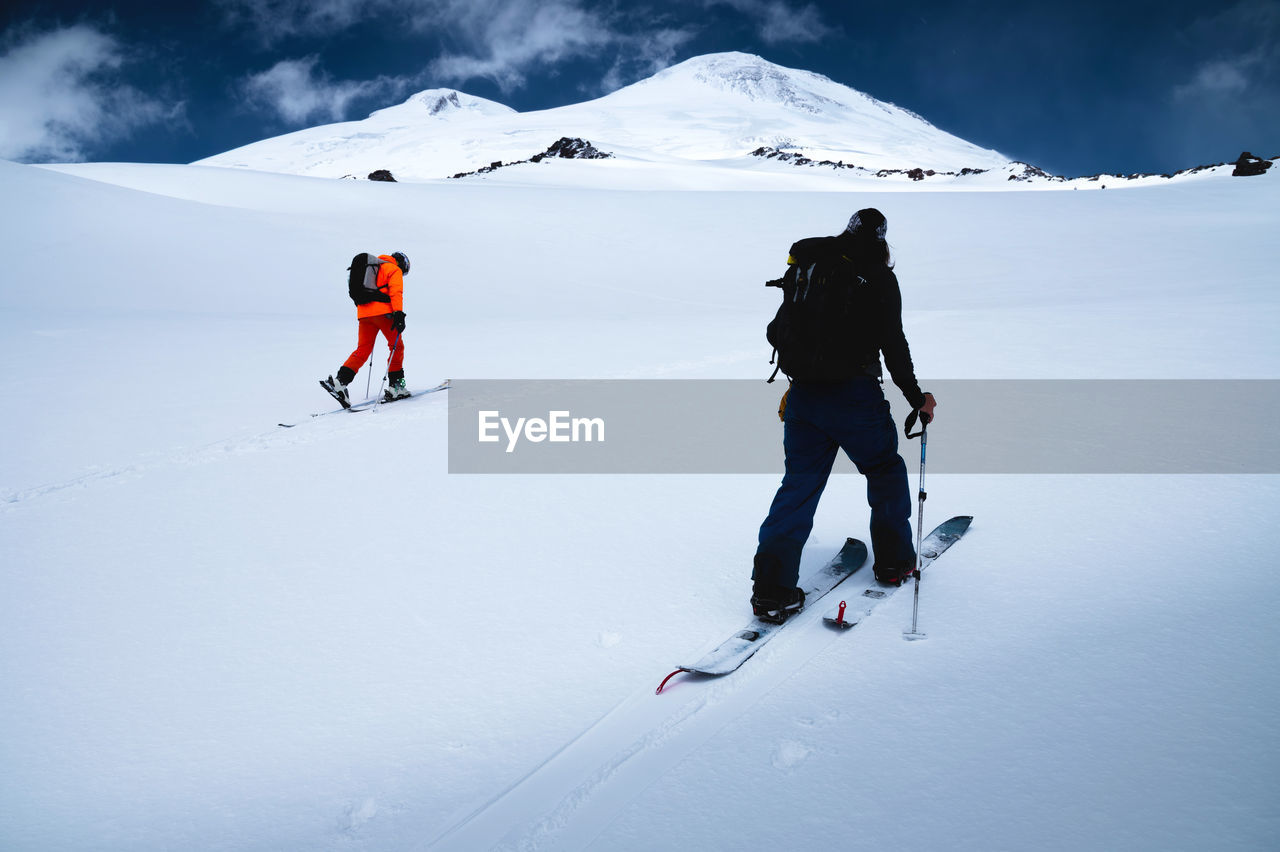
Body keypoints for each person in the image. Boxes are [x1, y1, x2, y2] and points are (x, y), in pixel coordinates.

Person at [751, 208, 936, 622]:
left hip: (803, 398)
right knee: (885, 470)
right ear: (882, 239)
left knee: (798, 487)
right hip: (855, 397)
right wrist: (916, 397)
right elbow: (894, 345)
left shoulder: (812, 267)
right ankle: (894, 563)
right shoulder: (878, 277)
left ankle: (771, 591)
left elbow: (774, 330)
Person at [321, 252, 410, 406]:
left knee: (363, 349)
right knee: (397, 347)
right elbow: (396, 292)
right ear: (402, 264)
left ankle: (340, 382)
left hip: (364, 314)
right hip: (384, 314)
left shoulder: (374, 267)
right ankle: (396, 386)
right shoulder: (393, 269)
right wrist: (398, 314)